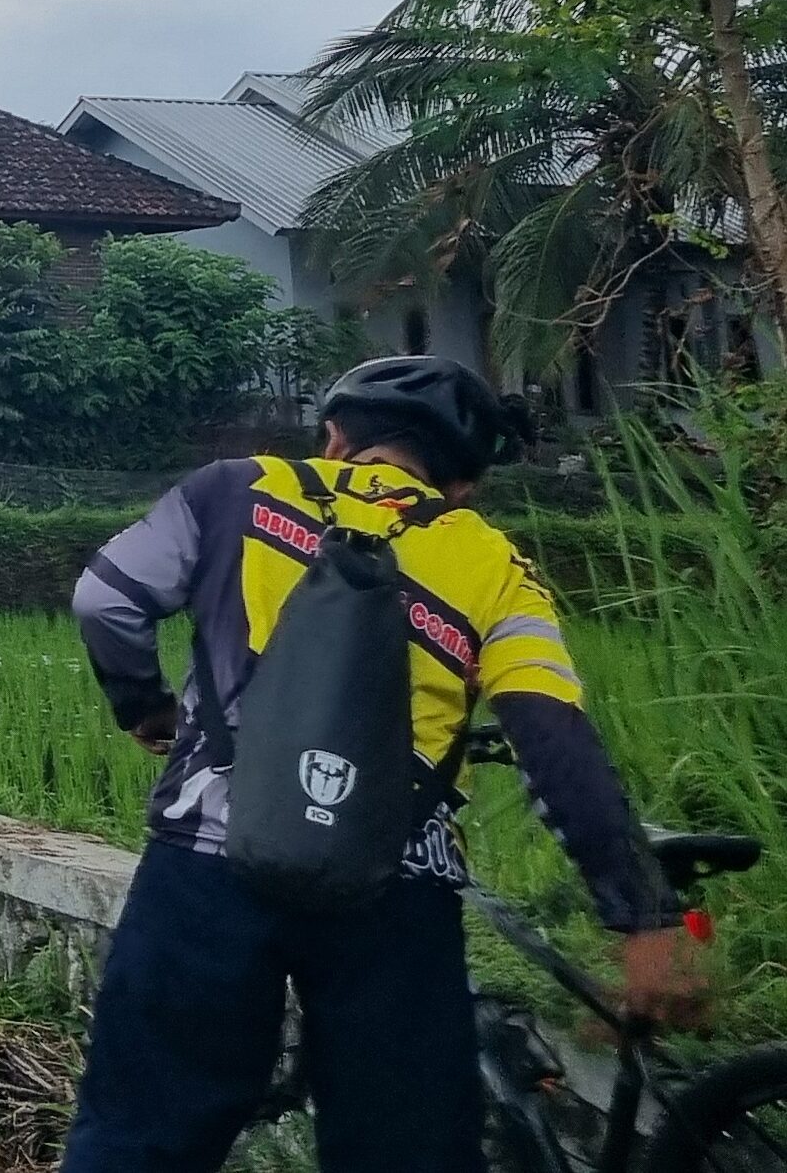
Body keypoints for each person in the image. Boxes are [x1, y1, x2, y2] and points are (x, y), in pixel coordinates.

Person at [58, 354, 708, 1172]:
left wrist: (146, 708)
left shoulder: (234, 488)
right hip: (393, 896)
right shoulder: (495, 570)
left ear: (333, 439)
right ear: (463, 486)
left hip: (205, 868)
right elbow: (553, 741)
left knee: (138, 1139)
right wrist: (642, 919)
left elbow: (103, 599)